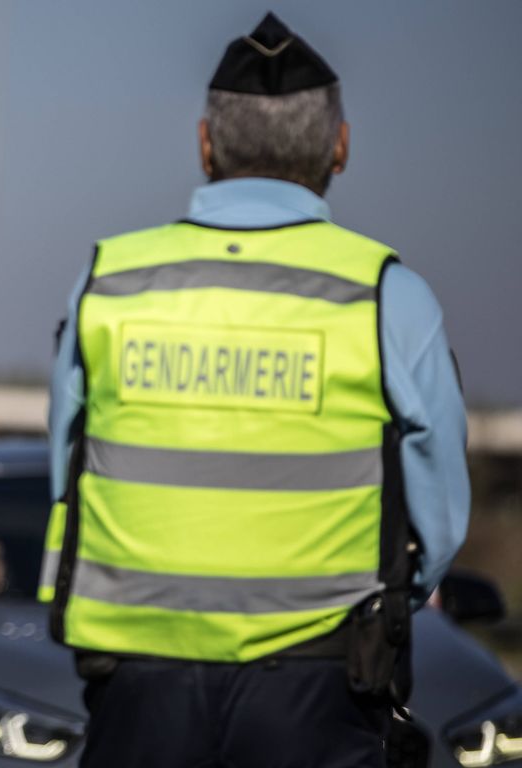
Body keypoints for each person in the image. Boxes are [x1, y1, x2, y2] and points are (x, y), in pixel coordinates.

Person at [41, 13, 469, 767]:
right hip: (321, 680)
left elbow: (66, 474)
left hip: (137, 676)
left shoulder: (110, 281)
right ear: (340, 147)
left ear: (206, 143)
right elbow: (434, 524)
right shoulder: (386, 296)